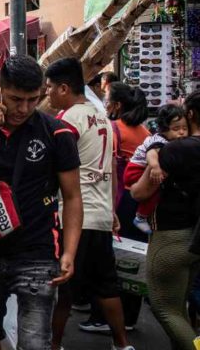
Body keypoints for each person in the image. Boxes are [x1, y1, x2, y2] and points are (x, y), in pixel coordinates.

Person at [0, 55, 83, 350]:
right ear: (0, 90)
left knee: (34, 343)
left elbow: (72, 196)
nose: (24, 109)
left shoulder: (56, 132)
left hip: (38, 252)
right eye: (16, 99)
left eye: (33, 99)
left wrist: (70, 251)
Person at [45, 58, 133, 350]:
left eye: (49, 89)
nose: (47, 95)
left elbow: (56, 169)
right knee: (106, 284)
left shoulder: (67, 120)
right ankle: (122, 344)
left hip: (73, 216)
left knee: (63, 288)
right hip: (100, 214)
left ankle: (54, 344)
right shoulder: (102, 116)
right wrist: (111, 209)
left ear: (64, 88)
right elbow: (111, 167)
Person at [130, 90, 200, 350]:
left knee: (166, 308)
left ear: (190, 114)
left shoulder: (176, 150)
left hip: (172, 235)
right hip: (196, 237)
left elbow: (140, 191)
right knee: (180, 306)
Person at [81, 82, 150, 332]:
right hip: (139, 203)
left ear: (117, 105)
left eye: (107, 99)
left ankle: (103, 317)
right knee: (133, 258)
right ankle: (129, 316)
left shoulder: (112, 129)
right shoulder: (145, 131)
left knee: (108, 261)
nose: (104, 103)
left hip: (116, 200)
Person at [125, 105, 187, 234]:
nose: (181, 132)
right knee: (156, 192)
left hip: (138, 170)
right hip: (135, 170)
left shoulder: (169, 141)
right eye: (176, 129)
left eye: (184, 128)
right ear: (164, 129)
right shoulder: (160, 141)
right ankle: (140, 217)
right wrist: (155, 167)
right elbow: (151, 153)